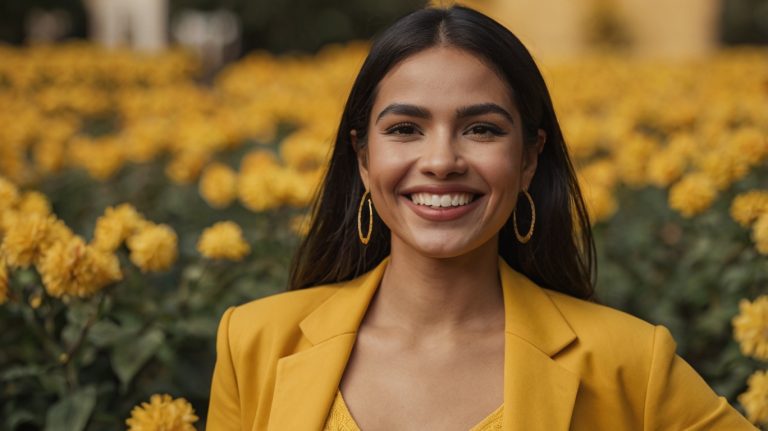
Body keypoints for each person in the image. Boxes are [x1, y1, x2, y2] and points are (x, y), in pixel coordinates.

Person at [207, 5, 756, 430]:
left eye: (482, 129)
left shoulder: (631, 364)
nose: (442, 160)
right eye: (405, 129)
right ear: (363, 158)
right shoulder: (254, 343)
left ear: (529, 158)